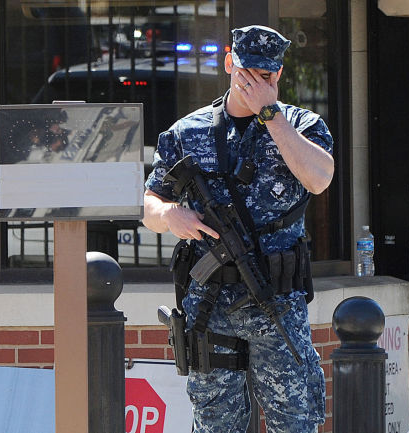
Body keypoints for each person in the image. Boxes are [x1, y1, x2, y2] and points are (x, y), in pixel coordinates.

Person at [142, 25, 334, 433]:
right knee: (216, 424)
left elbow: (319, 179)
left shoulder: (302, 125)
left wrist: (270, 114)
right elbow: (149, 204)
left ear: (278, 75)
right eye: (247, 73)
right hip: (209, 305)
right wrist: (170, 215)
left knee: (295, 422)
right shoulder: (187, 132)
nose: (255, 83)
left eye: (266, 77)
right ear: (230, 64)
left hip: (275, 301)